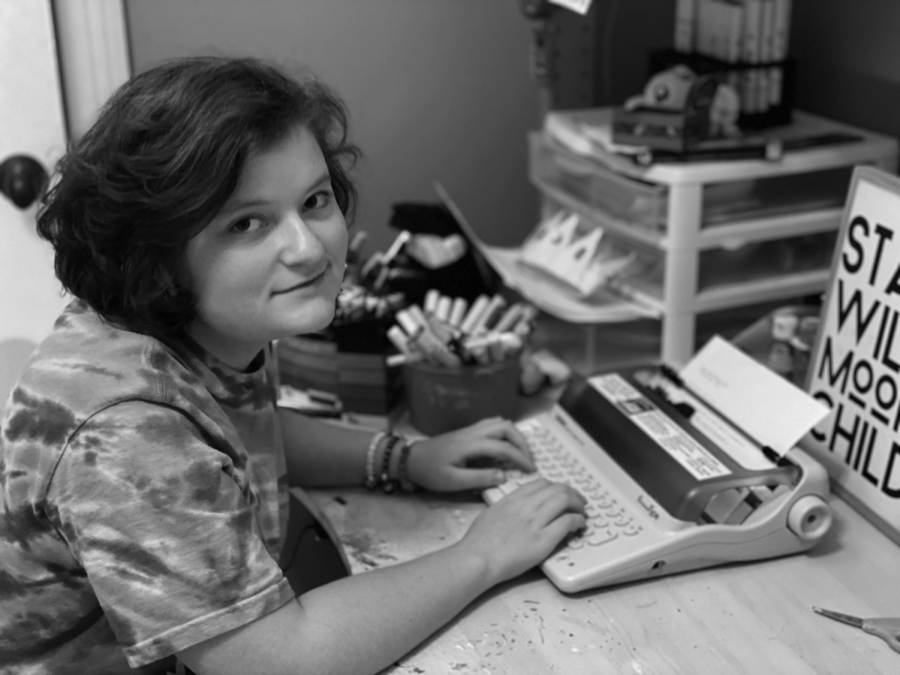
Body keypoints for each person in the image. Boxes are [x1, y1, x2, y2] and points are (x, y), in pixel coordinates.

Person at [0, 56, 586, 675]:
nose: (308, 249)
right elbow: (280, 661)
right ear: (159, 252)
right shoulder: (125, 433)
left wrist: (400, 459)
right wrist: (483, 556)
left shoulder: (193, 330)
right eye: (247, 223)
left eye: (314, 200)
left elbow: (238, 436)